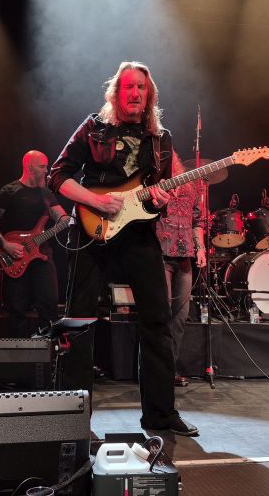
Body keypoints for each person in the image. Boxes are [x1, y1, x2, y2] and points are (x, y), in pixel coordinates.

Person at [48, 61, 198, 436]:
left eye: (141, 88)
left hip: (138, 233)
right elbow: (58, 176)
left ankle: (160, 414)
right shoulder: (93, 127)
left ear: (150, 96)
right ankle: (72, 414)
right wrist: (95, 201)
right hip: (91, 229)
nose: (135, 93)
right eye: (128, 87)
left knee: (158, 321)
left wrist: (161, 199)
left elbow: (155, 194)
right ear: (116, 93)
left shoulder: (162, 138)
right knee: (79, 321)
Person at [0, 150, 66, 337]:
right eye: (42, 166)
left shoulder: (46, 194)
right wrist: (6, 245)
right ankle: (18, 352)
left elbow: (62, 218)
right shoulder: (9, 191)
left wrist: (71, 219)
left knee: (49, 304)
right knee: (17, 307)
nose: (46, 170)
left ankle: (46, 348)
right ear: (30, 167)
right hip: (16, 255)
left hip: (42, 255)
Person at [154, 151, 207, 387]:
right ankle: (157, 368)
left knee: (181, 315)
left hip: (185, 257)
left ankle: (170, 368)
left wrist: (201, 249)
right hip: (161, 254)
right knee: (162, 313)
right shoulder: (154, 184)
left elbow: (198, 221)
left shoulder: (192, 186)